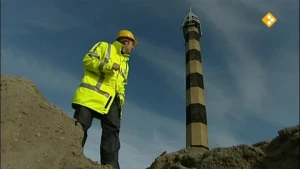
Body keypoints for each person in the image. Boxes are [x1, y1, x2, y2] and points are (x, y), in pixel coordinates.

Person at [71, 30, 138, 169]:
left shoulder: (126, 65)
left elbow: (122, 85)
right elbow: (88, 60)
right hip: (90, 95)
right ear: (126, 42)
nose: (133, 48)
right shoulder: (104, 47)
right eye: (133, 44)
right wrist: (108, 66)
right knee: (81, 126)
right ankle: (70, 156)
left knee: (112, 133)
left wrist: (121, 102)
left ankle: (111, 166)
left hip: (112, 102)